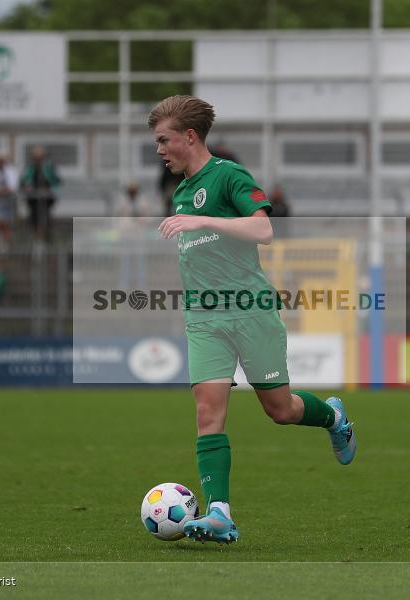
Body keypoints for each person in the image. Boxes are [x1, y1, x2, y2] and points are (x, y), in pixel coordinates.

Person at [149, 95, 356, 545]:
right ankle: (220, 513)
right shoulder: (180, 191)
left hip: (250, 311)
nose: (159, 149)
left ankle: (332, 417)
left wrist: (203, 221)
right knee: (208, 411)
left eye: (164, 140)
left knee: (280, 410)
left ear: (189, 136)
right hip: (205, 319)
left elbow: (264, 229)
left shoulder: (228, 175)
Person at [113, 181, 154, 290]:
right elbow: (117, 217)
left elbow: (148, 218)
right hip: (126, 235)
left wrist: (141, 221)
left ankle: (141, 284)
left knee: (140, 261)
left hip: (138, 235)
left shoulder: (143, 202)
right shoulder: (122, 202)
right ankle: (124, 284)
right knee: (125, 261)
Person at [20, 146, 60, 242]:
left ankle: (45, 235)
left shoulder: (48, 167)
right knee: (34, 216)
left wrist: (47, 188)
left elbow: (55, 180)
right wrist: (27, 187)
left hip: (46, 198)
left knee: (45, 216)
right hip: (33, 197)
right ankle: (37, 235)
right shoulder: (30, 167)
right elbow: (24, 181)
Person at [0, 151, 19, 249]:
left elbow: (12, 187)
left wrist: (0, 191)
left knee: (6, 222)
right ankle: (0, 242)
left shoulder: (10, 171)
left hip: (8, 201)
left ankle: (7, 244)